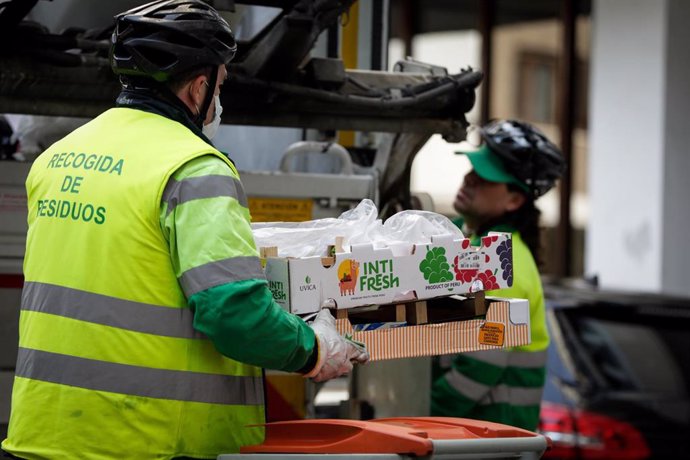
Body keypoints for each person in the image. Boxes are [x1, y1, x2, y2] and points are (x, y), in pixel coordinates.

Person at [1, 1, 368, 459]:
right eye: (220, 85)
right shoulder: (194, 168)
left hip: (43, 435)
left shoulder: (57, 157)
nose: (218, 100)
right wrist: (313, 350)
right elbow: (234, 313)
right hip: (143, 440)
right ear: (199, 88)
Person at [431, 119, 566, 431]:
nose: (469, 179)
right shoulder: (482, 247)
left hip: (489, 440)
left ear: (514, 200)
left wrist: (422, 412)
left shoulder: (503, 262)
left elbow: (482, 365)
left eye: (485, 178)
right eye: (473, 169)